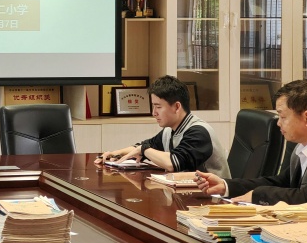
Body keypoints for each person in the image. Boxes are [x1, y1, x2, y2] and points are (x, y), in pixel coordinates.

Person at [196, 79, 307, 217]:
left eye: (283, 116)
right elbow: (283, 182)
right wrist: (226, 185)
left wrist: (257, 195)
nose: (278, 123)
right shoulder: (306, 143)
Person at [96, 75, 230, 177]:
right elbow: (145, 146)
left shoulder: (198, 131)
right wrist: (115, 154)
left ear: (177, 107)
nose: (154, 113)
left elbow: (173, 163)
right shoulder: (170, 130)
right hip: (187, 194)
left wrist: (144, 149)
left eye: (158, 107)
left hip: (214, 200)